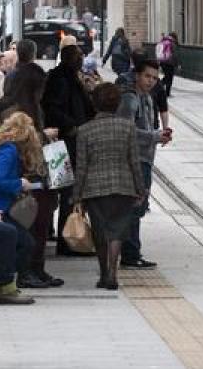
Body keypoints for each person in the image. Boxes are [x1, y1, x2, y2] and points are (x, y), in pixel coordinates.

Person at [74, 83, 145, 290]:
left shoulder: (85, 130)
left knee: (100, 232)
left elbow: (81, 166)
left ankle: (103, 274)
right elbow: (134, 161)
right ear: (117, 104)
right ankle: (113, 274)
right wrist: (140, 189)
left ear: (95, 104)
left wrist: (77, 196)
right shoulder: (128, 127)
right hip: (123, 187)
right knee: (117, 232)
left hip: (95, 189)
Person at [116, 59, 171, 269]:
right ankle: (130, 254)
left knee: (138, 208)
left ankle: (133, 251)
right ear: (137, 75)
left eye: (155, 78)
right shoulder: (131, 99)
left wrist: (158, 136)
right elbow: (125, 131)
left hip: (144, 158)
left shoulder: (146, 97)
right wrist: (155, 136)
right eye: (147, 76)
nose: (151, 81)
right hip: (135, 160)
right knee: (134, 207)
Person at [41, 44, 93, 265]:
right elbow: (53, 107)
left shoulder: (68, 76)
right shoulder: (62, 79)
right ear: (70, 58)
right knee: (68, 191)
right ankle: (66, 239)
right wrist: (70, 126)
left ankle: (66, 236)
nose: (82, 59)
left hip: (72, 139)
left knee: (69, 192)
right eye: (79, 55)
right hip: (66, 143)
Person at [0, 112, 43, 305]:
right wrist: (19, 183)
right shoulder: (9, 151)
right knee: (21, 241)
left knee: (21, 241)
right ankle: (2, 284)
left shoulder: (5, 149)